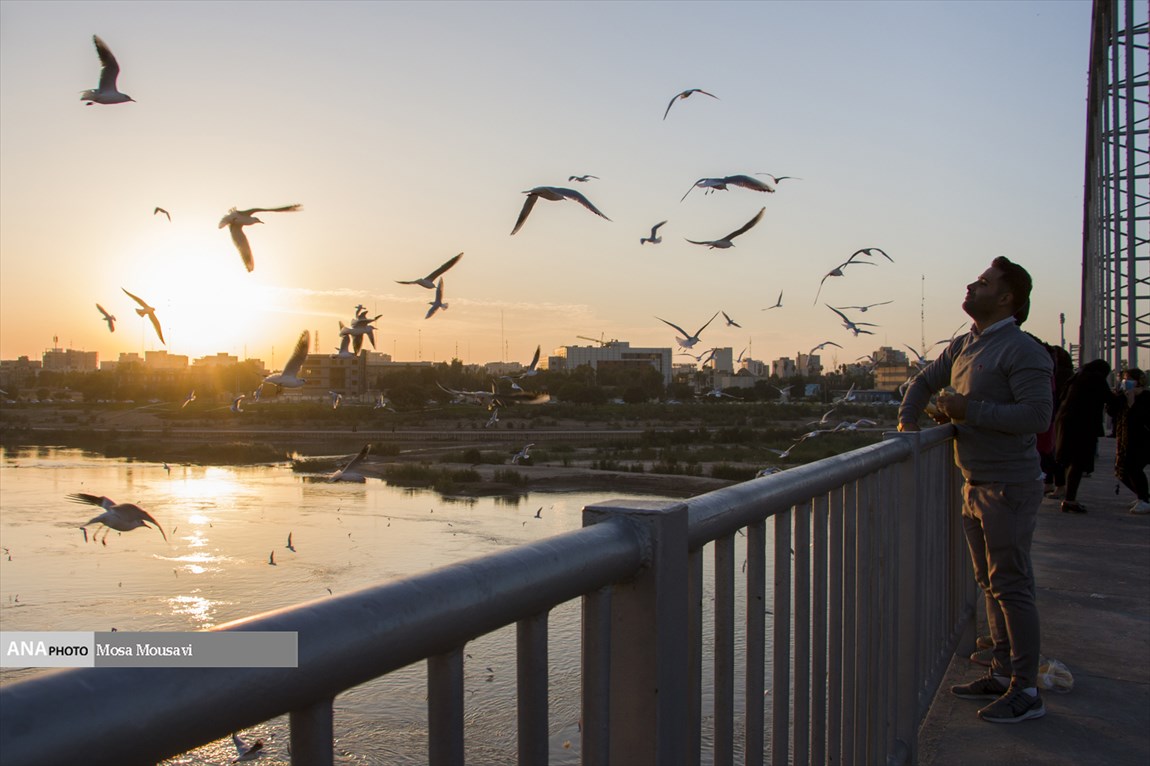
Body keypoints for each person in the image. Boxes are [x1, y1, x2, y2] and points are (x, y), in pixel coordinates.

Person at [898, 256, 1053, 724]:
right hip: (975, 483)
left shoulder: (1022, 351)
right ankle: (1001, 669)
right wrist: (908, 422)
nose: (972, 285)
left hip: (1009, 485)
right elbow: (923, 381)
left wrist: (969, 410)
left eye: (983, 282)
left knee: (1011, 586)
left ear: (1007, 298)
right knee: (988, 583)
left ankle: (1026, 690)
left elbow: (1036, 417)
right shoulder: (965, 344)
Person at [1053, 359, 1115, 513]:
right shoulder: (1095, 378)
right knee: (1078, 462)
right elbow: (1110, 400)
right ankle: (1070, 500)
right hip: (1082, 426)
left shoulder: (1076, 377)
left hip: (1064, 423)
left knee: (1068, 461)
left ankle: (1068, 497)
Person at [1109, 368, 1150, 515]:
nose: (1127, 382)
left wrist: (1133, 402)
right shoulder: (1122, 396)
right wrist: (1117, 397)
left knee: (1134, 468)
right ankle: (1143, 496)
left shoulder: (1146, 397)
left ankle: (1144, 499)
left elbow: (1143, 418)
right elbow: (1111, 412)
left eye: (1129, 379)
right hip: (1125, 439)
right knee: (1121, 470)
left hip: (1142, 440)